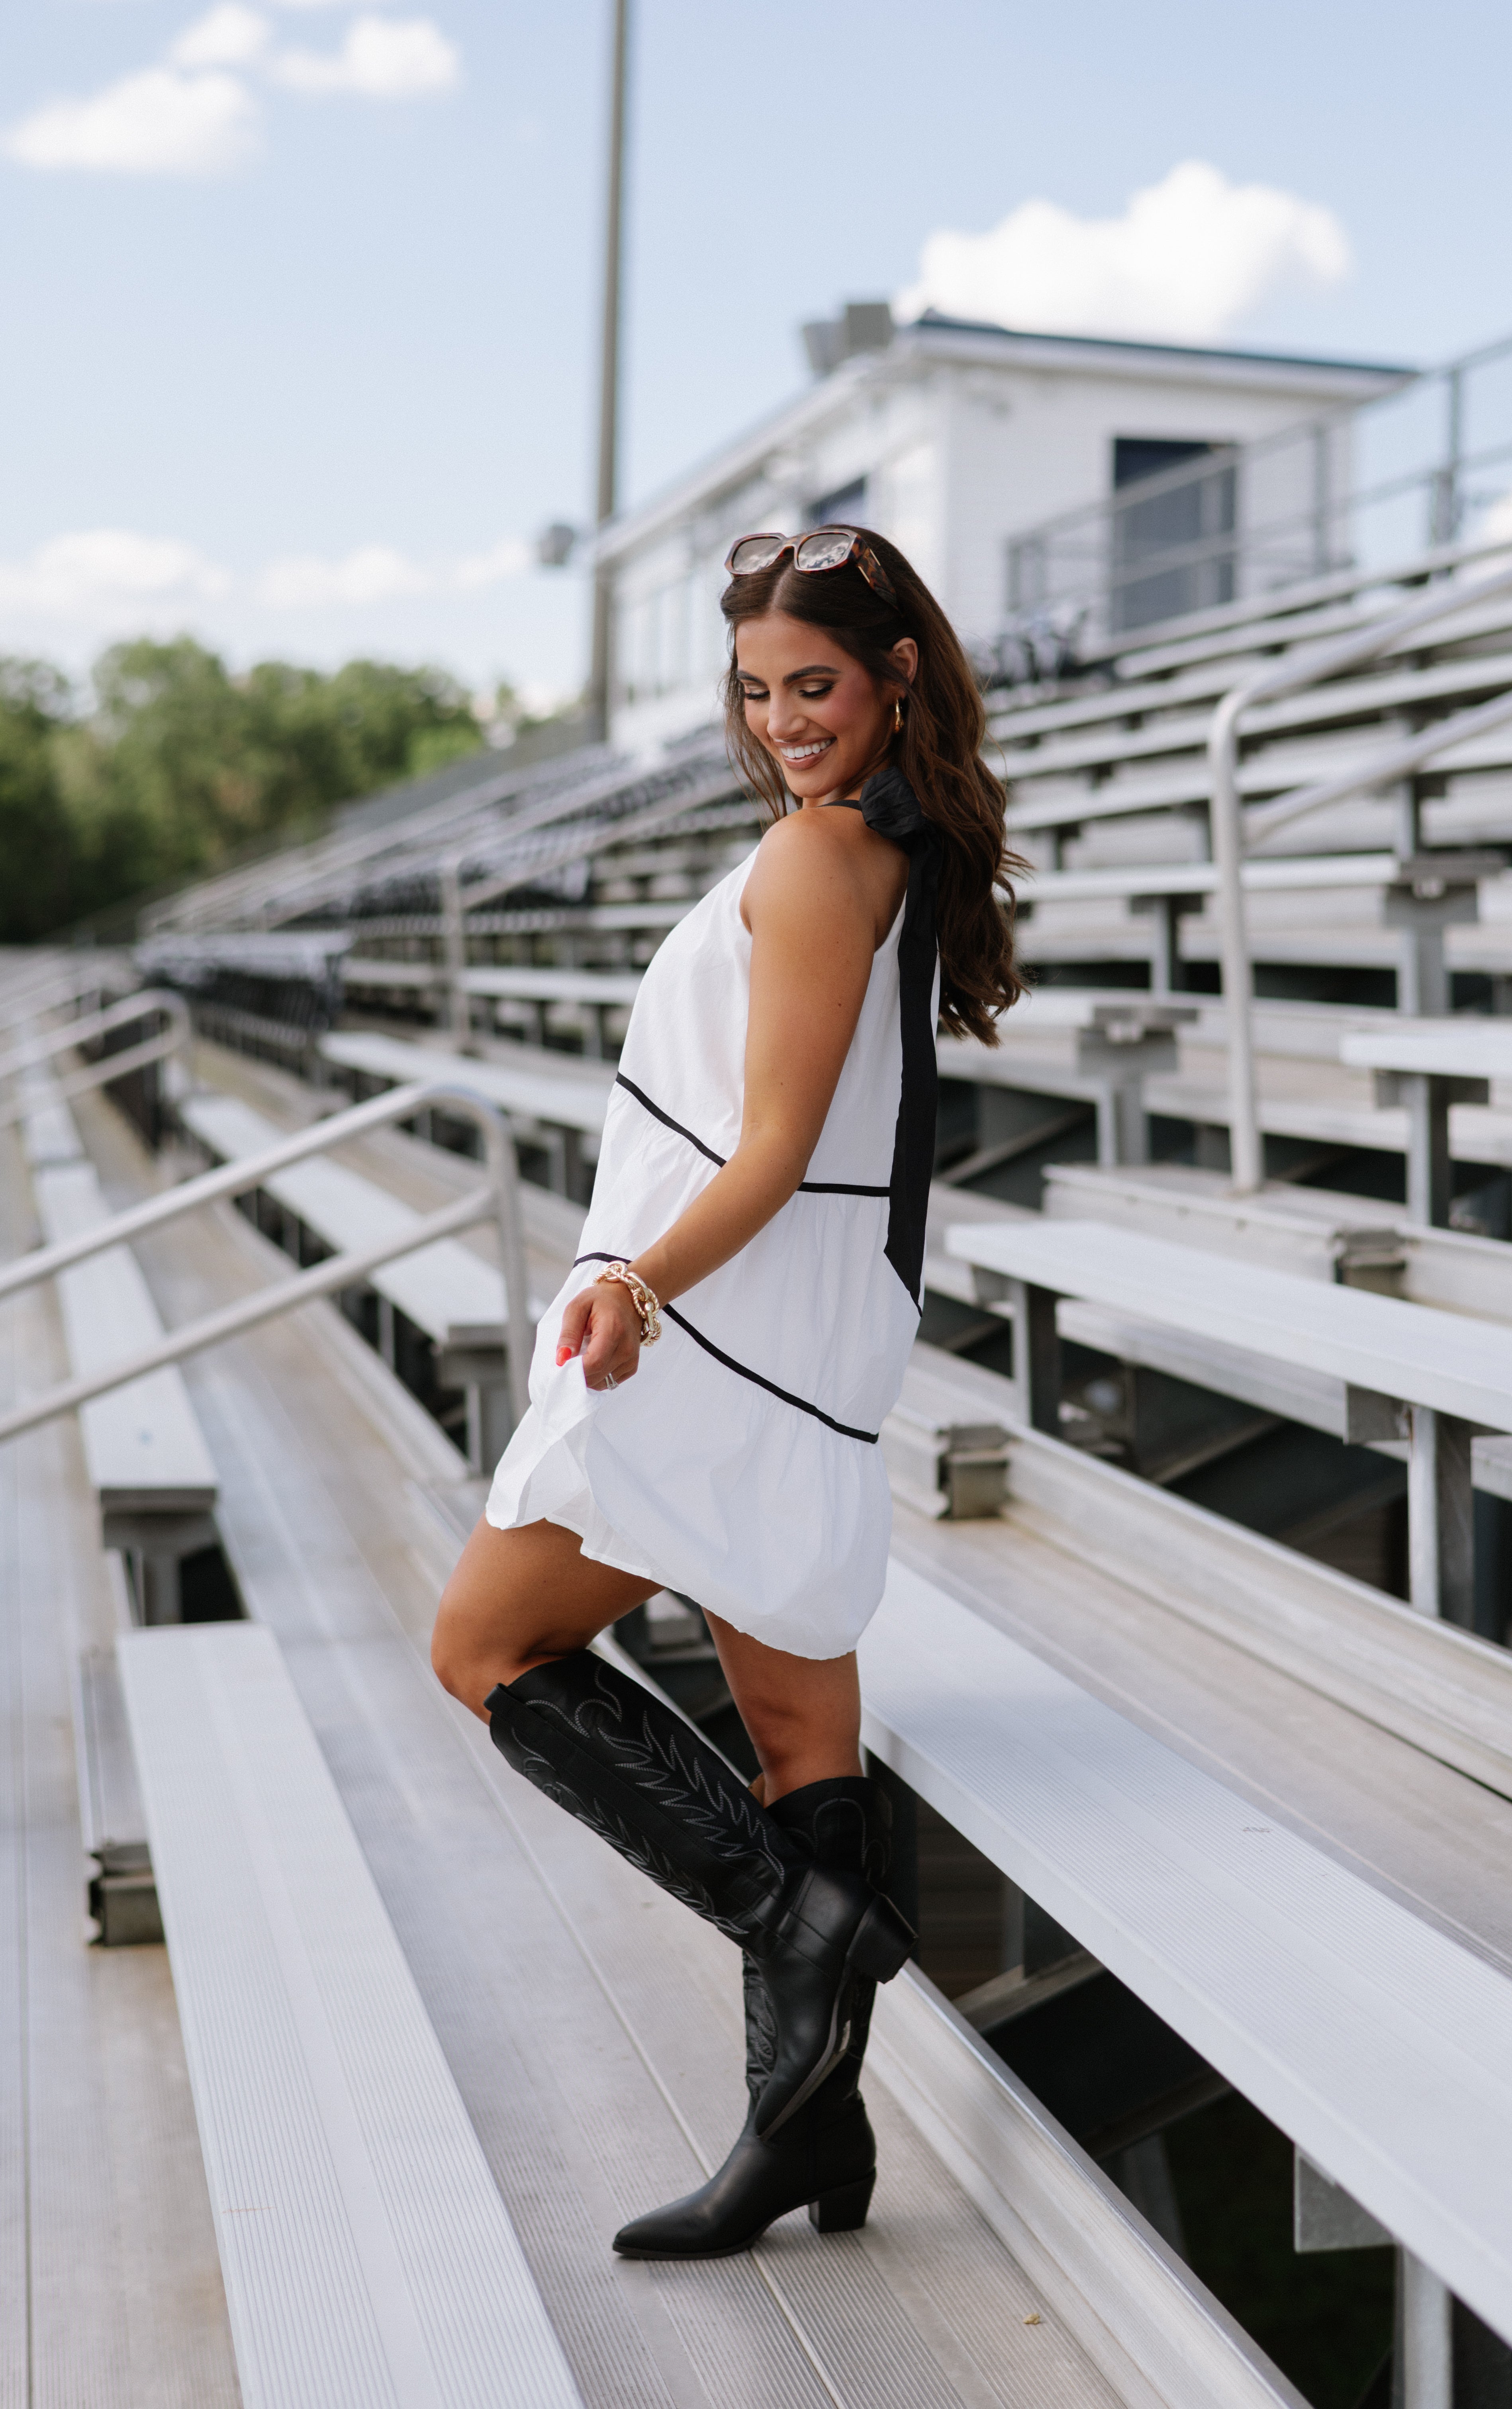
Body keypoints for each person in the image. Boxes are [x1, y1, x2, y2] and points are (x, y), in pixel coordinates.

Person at [432, 523, 1021, 2259]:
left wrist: (630, 1279)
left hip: (727, 1335)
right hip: (800, 1341)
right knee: (790, 1746)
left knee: (483, 1645)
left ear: (896, 672)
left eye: (816, 686)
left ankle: (808, 1921)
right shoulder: (877, 846)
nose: (783, 722)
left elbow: (767, 1147)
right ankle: (805, 2147)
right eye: (759, 694)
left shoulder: (824, 859)